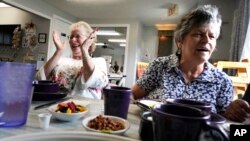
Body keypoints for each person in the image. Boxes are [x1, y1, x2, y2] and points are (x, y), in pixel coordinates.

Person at [132, 5, 250, 122]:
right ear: (180, 41)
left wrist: (233, 112)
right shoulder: (160, 65)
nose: (206, 40)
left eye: (212, 36)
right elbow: (134, 95)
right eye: (198, 34)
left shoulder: (223, 81)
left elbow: (224, 121)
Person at [36, 21, 109, 99]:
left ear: (89, 40)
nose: (73, 40)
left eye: (78, 36)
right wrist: (58, 52)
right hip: (55, 107)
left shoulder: (98, 62)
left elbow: (94, 82)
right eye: (71, 37)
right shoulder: (60, 60)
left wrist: (84, 49)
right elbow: (40, 78)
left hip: (85, 108)